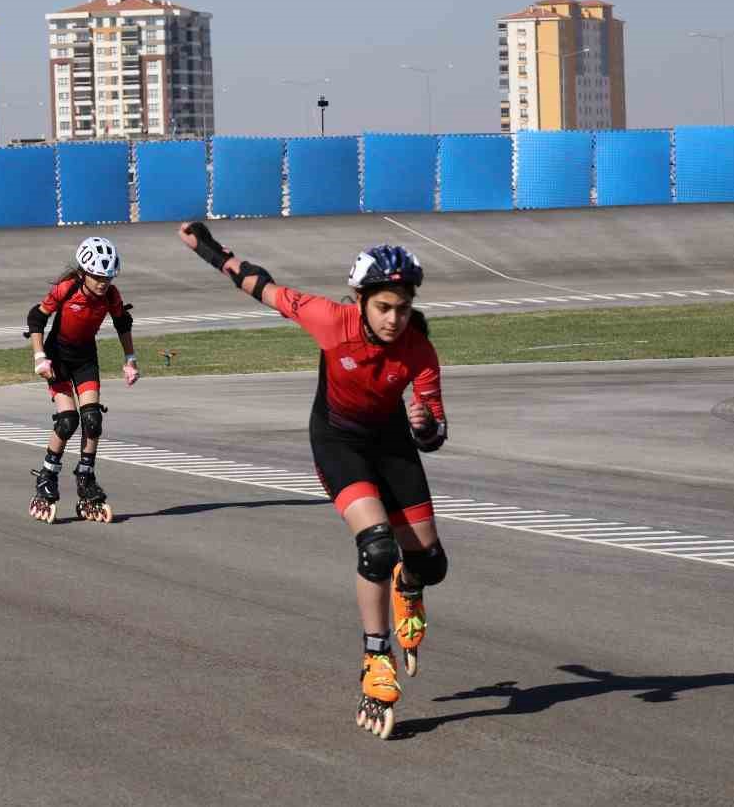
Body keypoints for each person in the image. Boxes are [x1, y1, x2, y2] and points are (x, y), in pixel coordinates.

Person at [177, 221, 448, 740]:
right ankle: (376, 657)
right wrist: (208, 247)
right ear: (361, 299)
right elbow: (259, 284)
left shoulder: (419, 350)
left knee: (430, 564)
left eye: (403, 308)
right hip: (338, 442)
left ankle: (408, 588)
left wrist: (426, 425)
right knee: (375, 548)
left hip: (391, 445)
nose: (394, 319)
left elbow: (434, 431)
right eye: (383, 307)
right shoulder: (329, 319)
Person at [23, 236, 139, 523]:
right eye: (98, 277)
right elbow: (36, 319)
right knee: (67, 421)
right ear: (84, 272)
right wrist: (39, 357)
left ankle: (85, 477)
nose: (103, 283)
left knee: (92, 420)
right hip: (57, 359)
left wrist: (130, 359)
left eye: (108, 277)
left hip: (86, 359)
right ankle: (47, 477)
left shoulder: (111, 296)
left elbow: (122, 322)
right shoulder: (67, 288)